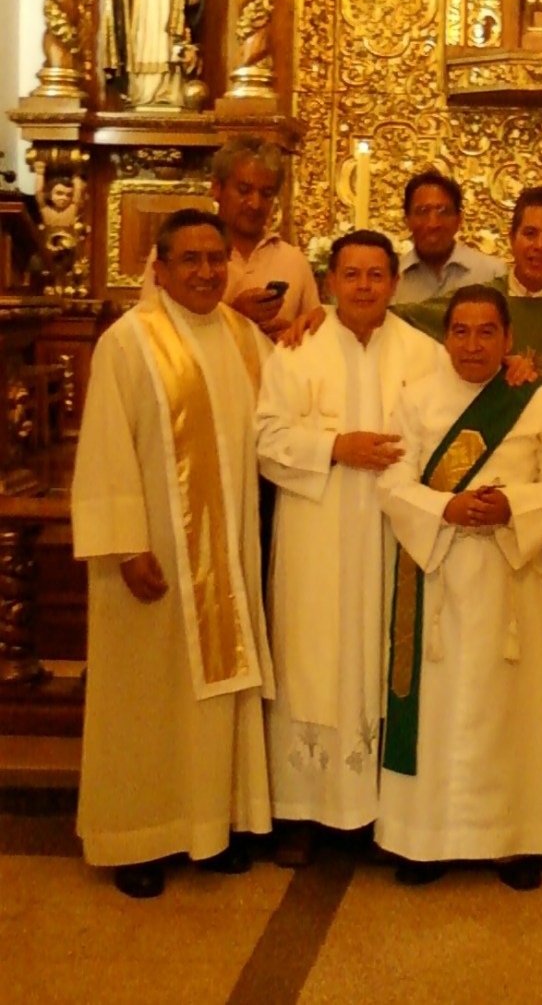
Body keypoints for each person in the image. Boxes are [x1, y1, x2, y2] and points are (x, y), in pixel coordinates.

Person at [71, 209, 274, 899]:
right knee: (145, 698)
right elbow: (106, 445)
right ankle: (139, 836)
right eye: (190, 259)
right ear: (158, 268)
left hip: (226, 555)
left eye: (216, 258)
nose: (206, 271)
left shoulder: (245, 337)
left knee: (217, 696)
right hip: (152, 556)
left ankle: (209, 829)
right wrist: (125, 544)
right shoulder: (128, 341)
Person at [375, 286, 542, 888]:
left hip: (510, 578)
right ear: (445, 337)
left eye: (487, 331)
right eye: (460, 331)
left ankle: (512, 839)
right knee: (440, 709)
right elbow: (392, 483)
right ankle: (425, 839)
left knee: (508, 710)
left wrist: (513, 507)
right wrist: (446, 508)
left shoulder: (538, 402)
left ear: (509, 339)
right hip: (437, 574)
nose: (472, 344)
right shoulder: (415, 399)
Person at [255, 231, 441, 866]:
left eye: (376, 275)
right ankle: (304, 808)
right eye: (351, 274)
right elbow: (266, 438)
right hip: (317, 532)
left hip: (394, 537)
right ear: (329, 282)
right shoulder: (296, 351)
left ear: (395, 282)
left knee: (386, 655)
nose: (364, 286)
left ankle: (389, 810)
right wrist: (335, 447)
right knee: (311, 657)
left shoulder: (424, 353)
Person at [398, 186, 542, 383]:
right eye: (530, 234)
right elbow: (400, 317)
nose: (540, 246)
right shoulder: (474, 305)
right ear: (512, 238)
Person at [140, 136, 319, 340]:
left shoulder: (294, 261)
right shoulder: (175, 252)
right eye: (244, 190)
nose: (255, 204)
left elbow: (316, 338)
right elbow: (150, 333)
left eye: (266, 194)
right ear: (216, 188)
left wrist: (293, 335)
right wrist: (234, 317)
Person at [393, 169, 503, 305]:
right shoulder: (392, 280)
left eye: (443, 211)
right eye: (423, 211)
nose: (433, 224)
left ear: (459, 220)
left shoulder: (492, 274)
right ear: (407, 221)